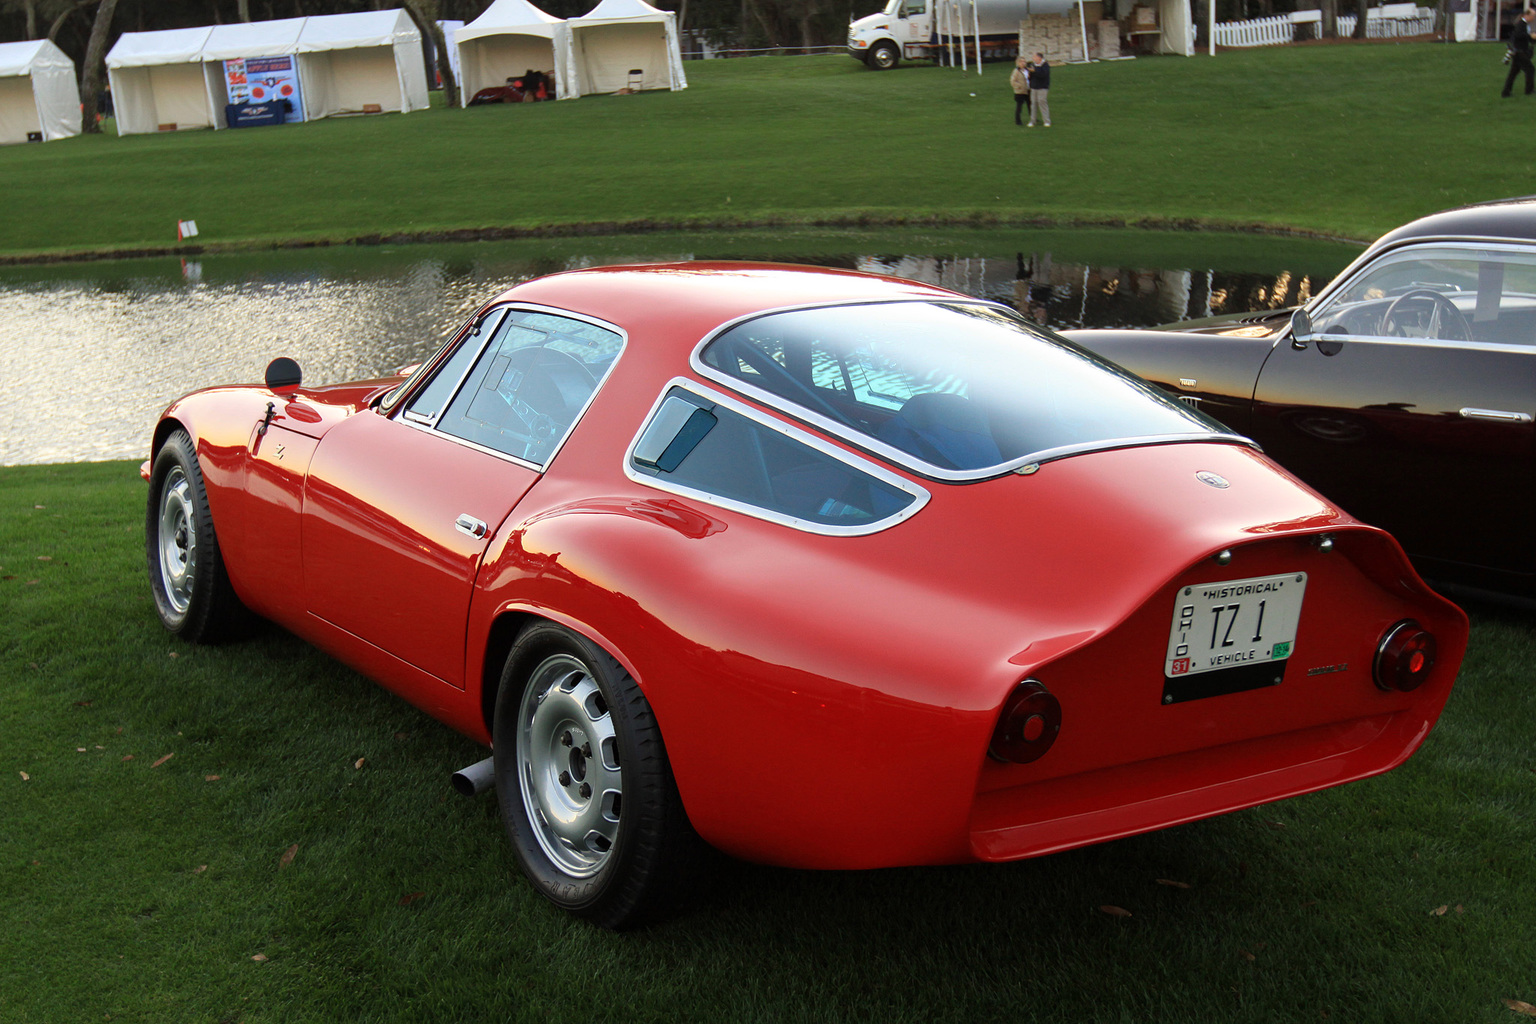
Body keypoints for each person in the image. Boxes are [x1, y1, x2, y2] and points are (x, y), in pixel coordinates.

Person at [1504, 7, 1535, 98]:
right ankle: (1529, 90)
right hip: (1519, 52)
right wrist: (1530, 36)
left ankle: (1506, 92)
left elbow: (1524, 37)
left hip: (1518, 51)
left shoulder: (1524, 24)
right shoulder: (1521, 24)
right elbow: (1518, 35)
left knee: (1513, 72)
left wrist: (1532, 38)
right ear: (1527, 15)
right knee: (1530, 69)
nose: (1533, 18)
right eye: (1533, 16)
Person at [1026, 53, 1051, 127]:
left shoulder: (1045, 65)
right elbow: (1031, 76)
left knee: (1042, 103)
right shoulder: (1033, 65)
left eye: (1034, 57)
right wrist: (1030, 74)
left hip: (1042, 87)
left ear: (1039, 58)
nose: (1033, 58)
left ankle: (1046, 121)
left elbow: (1043, 75)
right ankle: (1032, 121)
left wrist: (1034, 71)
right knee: (1033, 104)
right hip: (1034, 87)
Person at [1009, 56, 1030, 126]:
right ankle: (1018, 120)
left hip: (1028, 90)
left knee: (1030, 105)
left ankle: (1033, 117)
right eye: (1021, 62)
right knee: (1019, 106)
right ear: (1018, 63)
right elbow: (1012, 81)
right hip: (1020, 92)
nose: (1023, 63)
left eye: (1024, 61)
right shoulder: (1016, 71)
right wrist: (1019, 86)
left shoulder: (1027, 70)